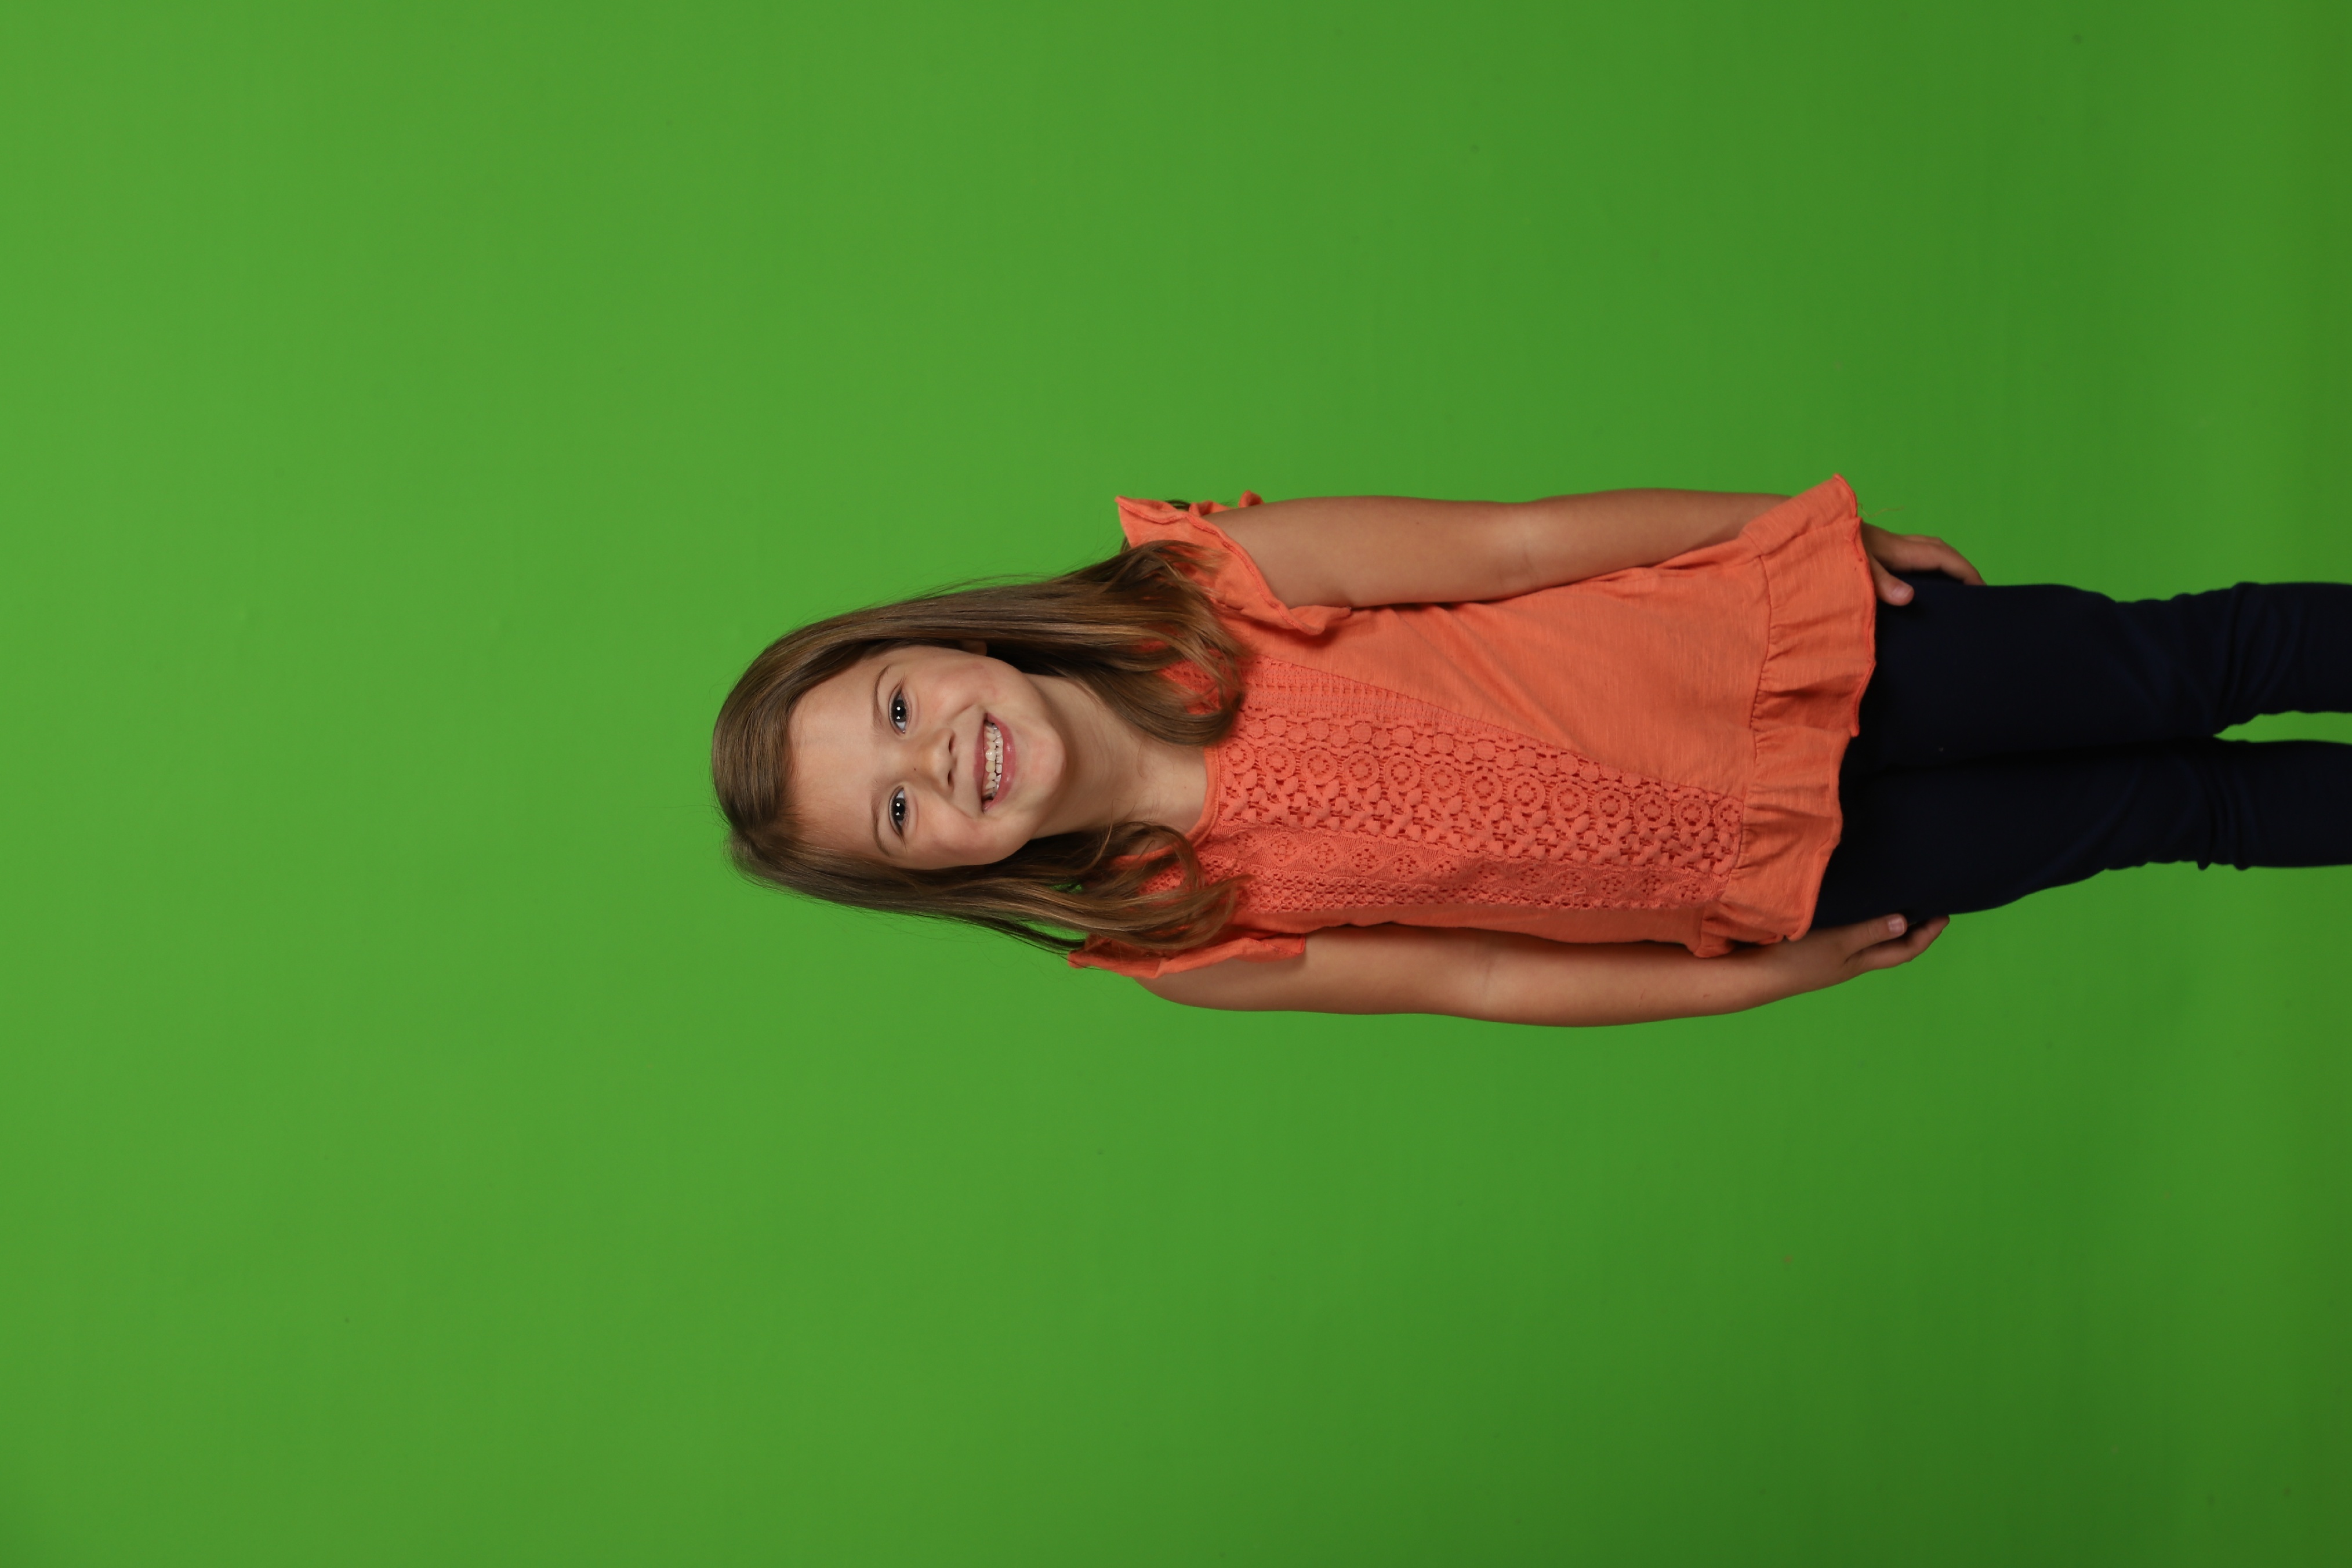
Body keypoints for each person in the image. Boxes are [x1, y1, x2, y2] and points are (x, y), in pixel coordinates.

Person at [712, 481, 2352, 1025]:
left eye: (899, 712)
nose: (941, 764)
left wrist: (1784, 532)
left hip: (1798, 654)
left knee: (2186, 664)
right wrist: (1760, 980)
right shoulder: (1183, 935)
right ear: (945, 876)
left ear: (945, 641)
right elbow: (1483, 978)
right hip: (1781, 873)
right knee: (2172, 805)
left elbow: (1518, 542)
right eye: (901, 814)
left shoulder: (1210, 585)